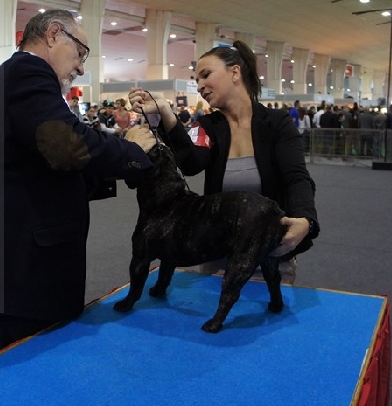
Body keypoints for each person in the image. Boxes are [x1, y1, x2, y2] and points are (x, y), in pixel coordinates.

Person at [0, 9, 157, 365]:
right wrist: (132, 150)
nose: (81, 68)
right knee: (10, 383)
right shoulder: (27, 72)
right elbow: (66, 145)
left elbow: (45, 165)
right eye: (81, 53)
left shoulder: (14, 78)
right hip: (14, 276)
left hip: (8, 271)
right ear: (54, 33)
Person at [128, 40, 319, 284]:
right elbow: (191, 164)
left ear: (235, 72)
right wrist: (166, 112)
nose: (200, 85)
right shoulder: (207, 125)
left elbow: (297, 178)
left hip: (269, 254)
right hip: (216, 255)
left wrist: (305, 219)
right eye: (197, 79)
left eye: (206, 75)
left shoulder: (277, 123)